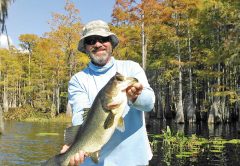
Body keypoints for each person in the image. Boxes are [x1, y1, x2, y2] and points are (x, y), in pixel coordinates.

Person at [61, 20, 155, 166]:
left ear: (111, 43)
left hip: (134, 161)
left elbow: (149, 103)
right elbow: (80, 114)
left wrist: (136, 97)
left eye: (103, 39)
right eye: (91, 41)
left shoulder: (131, 68)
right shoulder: (78, 80)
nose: (98, 44)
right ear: (85, 48)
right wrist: (72, 146)